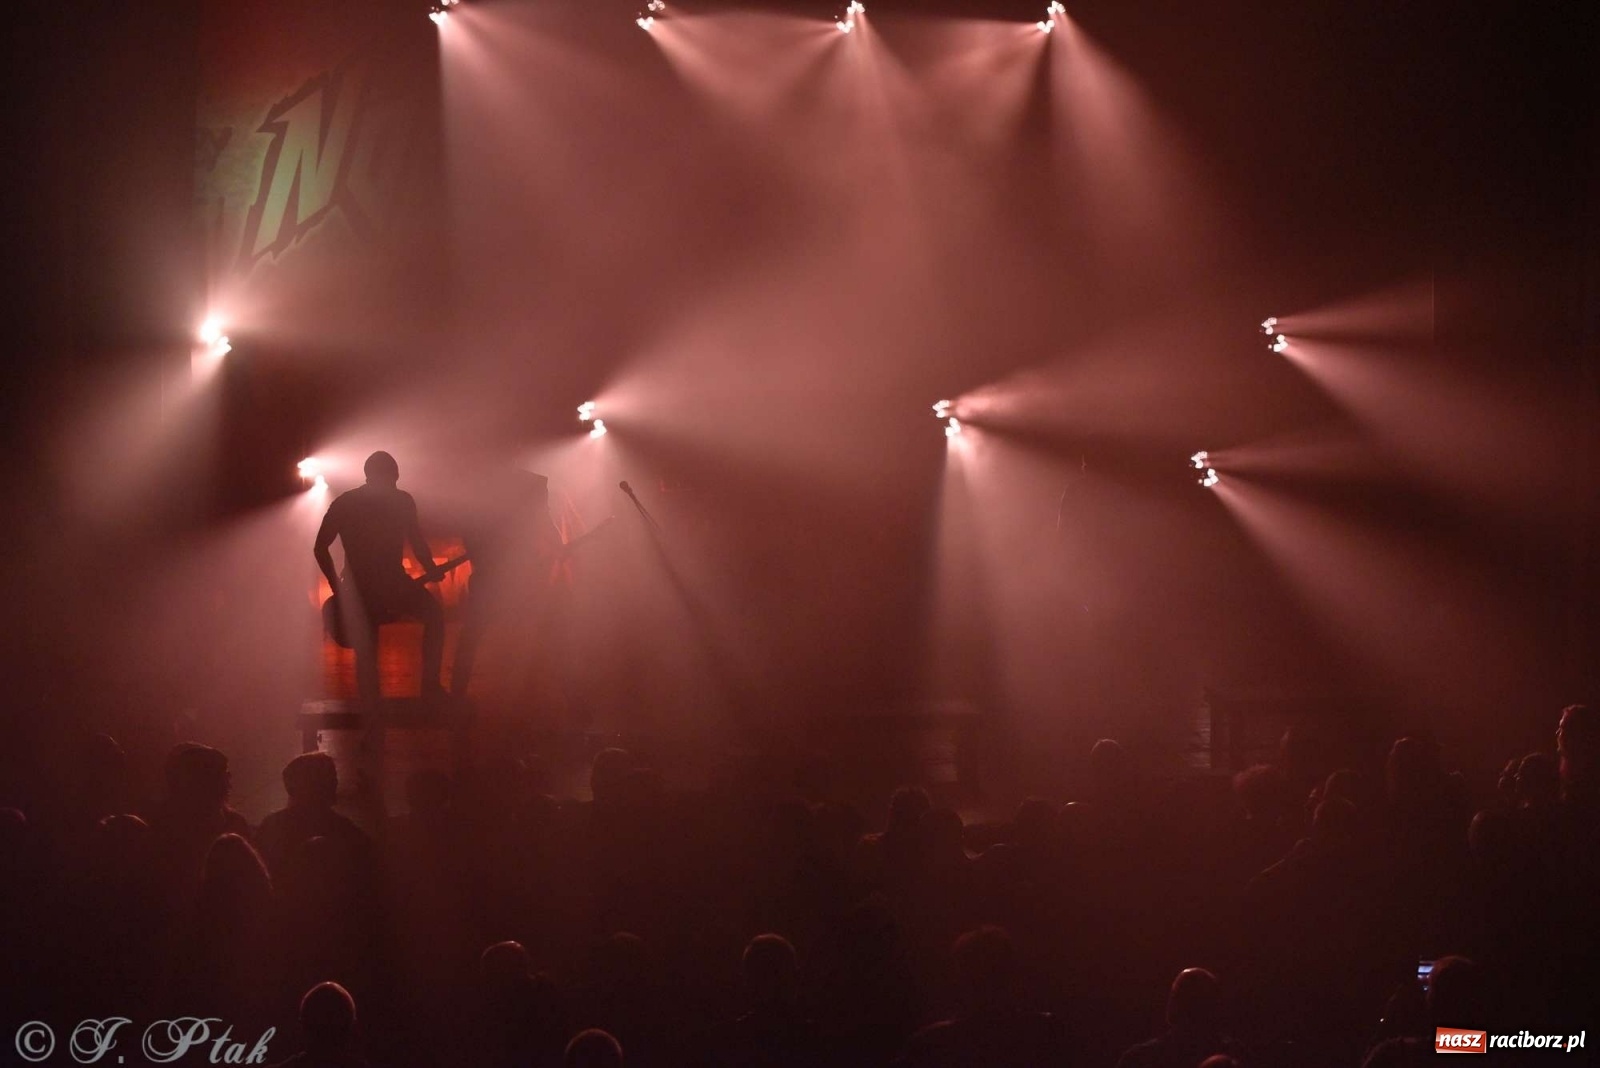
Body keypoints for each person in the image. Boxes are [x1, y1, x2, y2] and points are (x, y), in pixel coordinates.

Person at [314, 451, 445, 706]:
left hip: (376, 586)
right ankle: (424, 690)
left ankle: (378, 707)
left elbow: (320, 547)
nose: (393, 486)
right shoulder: (397, 501)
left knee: (369, 651)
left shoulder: (350, 503)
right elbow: (320, 547)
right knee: (430, 619)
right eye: (391, 480)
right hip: (376, 587)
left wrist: (430, 566)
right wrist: (338, 590)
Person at [451, 468, 565, 700]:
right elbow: (470, 529)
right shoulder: (529, 483)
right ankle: (570, 694)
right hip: (506, 573)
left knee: (546, 628)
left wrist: (556, 545)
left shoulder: (488, 482)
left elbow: (544, 520)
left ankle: (457, 694)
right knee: (545, 628)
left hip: (516, 574)